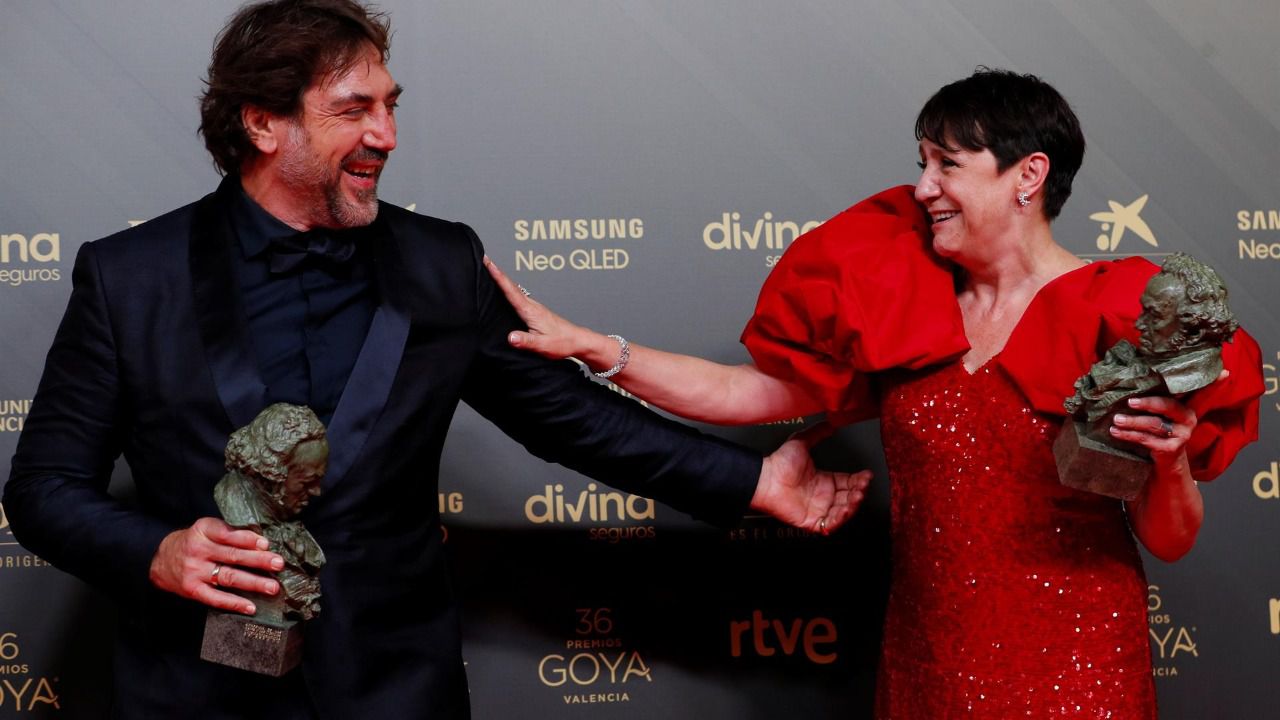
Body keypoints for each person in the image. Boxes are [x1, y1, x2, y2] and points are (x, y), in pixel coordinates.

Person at [1, 2, 867, 718]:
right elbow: (43, 488)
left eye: (391, 105)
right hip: (196, 690)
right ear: (262, 123)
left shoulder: (441, 263)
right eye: (353, 110)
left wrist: (754, 483)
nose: (386, 134)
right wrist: (157, 550)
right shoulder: (131, 277)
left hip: (395, 686)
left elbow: (571, 420)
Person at [486, 68, 1264, 717]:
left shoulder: (1118, 316)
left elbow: (1168, 538)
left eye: (947, 164)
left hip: (1077, 665)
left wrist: (1169, 462)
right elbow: (741, 392)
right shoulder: (902, 299)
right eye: (922, 163)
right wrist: (599, 349)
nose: (923, 187)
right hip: (929, 659)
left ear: (1028, 175)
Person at [215, 403, 329, 623]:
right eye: (307, 481)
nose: (317, 491)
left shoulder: (285, 519)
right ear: (271, 475)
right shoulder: (239, 508)